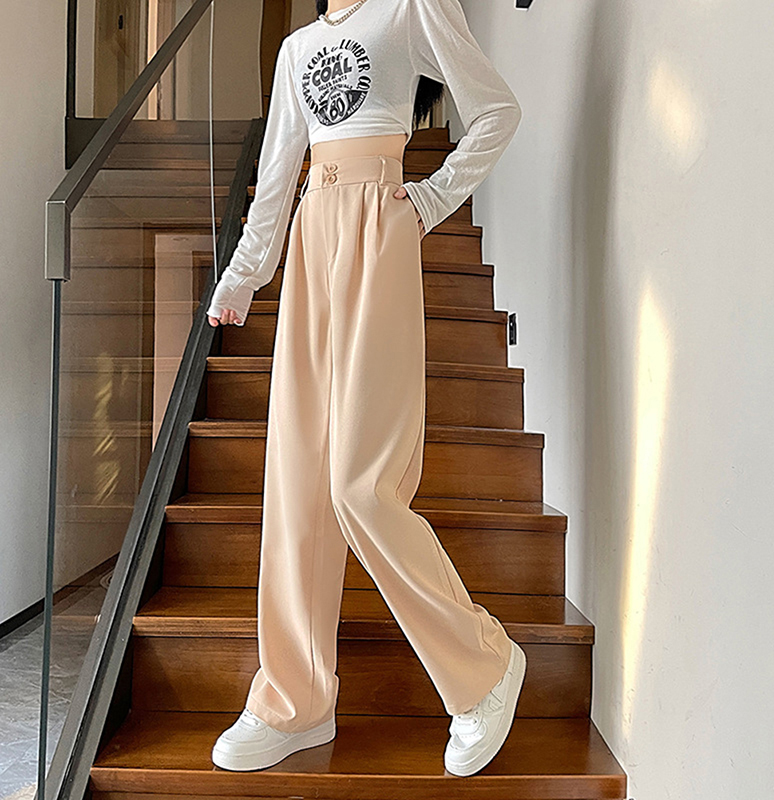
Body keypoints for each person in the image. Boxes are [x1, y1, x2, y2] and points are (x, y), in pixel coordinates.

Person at [207, 0, 527, 778]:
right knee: (299, 481)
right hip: (313, 232)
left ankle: (484, 667)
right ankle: (296, 700)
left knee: (361, 483)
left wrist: (430, 199)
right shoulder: (295, 49)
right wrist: (244, 274)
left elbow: (496, 111)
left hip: (378, 225)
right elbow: (277, 173)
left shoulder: (409, 8)